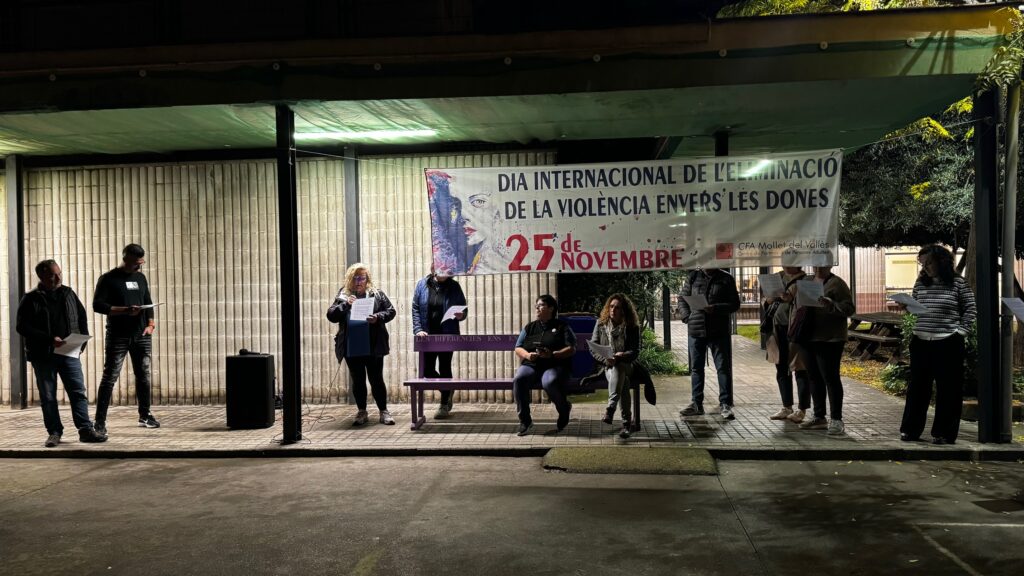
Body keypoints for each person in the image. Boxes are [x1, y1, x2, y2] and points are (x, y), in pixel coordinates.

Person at [17, 260, 107, 447]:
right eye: (52, 275)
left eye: (59, 273)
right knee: (48, 397)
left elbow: (81, 317)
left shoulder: (68, 293)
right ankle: (54, 433)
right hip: (43, 355)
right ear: (41, 276)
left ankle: (85, 430)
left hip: (69, 352)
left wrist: (81, 343)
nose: (58, 278)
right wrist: (49, 339)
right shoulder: (31, 298)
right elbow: (22, 326)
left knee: (78, 392)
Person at [899, 244, 976, 445]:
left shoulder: (958, 283)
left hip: (948, 341)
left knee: (948, 390)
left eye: (929, 263)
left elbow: (970, 309)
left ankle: (944, 433)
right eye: (922, 264)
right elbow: (917, 308)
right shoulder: (920, 283)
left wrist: (960, 332)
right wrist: (907, 307)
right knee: (917, 389)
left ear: (942, 261)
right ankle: (910, 430)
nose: (925, 268)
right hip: (921, 340)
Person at [93, 243, 158, 435]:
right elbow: (98, 305)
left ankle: (145, 415)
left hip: (141, 334)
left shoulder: (140, 278)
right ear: (126, 258)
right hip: (118, 336)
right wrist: (124, 311)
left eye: (141, 262)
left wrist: (151, 324)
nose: (139, 266)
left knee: (143, 375)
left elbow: (148, 301)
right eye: (136, 262)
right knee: (110, 377)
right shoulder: (108, 279)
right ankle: (99, 422)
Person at [327, 263, 398, 426]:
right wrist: (346, 304)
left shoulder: (376, 294)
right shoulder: (343, 294)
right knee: (358, 380)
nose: (359, 281)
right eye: (355, 278)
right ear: (350, 279)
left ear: (367, 279)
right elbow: (331, 315)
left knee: (376, 379)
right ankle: (361, 411)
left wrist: (378, 317)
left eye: (362, 278)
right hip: (352, 345)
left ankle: (383, 411)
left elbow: (391, 311)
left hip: (373, 344)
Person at [795, 252, 855, 436]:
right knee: (814, 377)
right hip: (807, 336)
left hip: (829, 338)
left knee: (830, 378)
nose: (818, 268)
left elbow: (849, 308)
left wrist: (832, 305)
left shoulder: (837, 284)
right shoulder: (807, 281)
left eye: (822, 265)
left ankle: (836, 419)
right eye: (815, 265)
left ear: (830, 265)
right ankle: (819, 416)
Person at [678, 268, 741, 420]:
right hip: (696, 330)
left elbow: (735, 304)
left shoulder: (726, 278)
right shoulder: (693, 276)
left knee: (723, 368)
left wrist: (716, 308)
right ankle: (696, 404)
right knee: (696, 369)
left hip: (718, 331)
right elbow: (682, 299)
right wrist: (687, 317)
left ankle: (725, 404)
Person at [512, 294, 577, 436]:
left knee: (549, 382)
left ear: (551, 308)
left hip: (555, 365)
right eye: (536, 306)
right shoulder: (529, 327)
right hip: (532, 364)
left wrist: (552, 354)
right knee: (519, 379)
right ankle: (525, 421)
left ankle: (564, 409)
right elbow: (518, 347)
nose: (537, 308)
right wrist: (528, 355)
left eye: (541, 305)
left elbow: (571, 348)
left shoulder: (562, 327)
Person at [412, 264, 468, 419]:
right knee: (427, 370)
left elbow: (463, 309)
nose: (444, 271)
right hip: (427, 336)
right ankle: (447, 390)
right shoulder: (422, 284)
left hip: (447, 334)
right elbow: (415, 308)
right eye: (440, 267)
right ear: (433, 269)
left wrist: (461, 315)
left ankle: (444, 405)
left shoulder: (454, 286)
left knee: (445, 367)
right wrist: (418, 329)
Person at [762, 251, 811, 423]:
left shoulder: (806, 280)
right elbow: (767, 301)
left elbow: (807, 304)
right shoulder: (778, 278)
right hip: (777, 329)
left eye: (790, 263)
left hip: (796, 330)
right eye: (784, 262)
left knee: (800, 368)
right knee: (781, 368)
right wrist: (768, 300)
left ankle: (802, 409)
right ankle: (786, 406)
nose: (786, 266)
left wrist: (790, 298)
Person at [590, 293, 641, 439]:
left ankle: (611, 408)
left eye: (617, 307)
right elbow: (593, 348)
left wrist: (621, 355)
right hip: (607, 366)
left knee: (620, 367)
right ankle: (626, 424)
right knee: (624, 382)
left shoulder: (632, 326)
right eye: (611, 306)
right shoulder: (601, 324)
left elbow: (635, 351)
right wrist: (607, 360)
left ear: (624, 310)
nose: (613, 310)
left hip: (627, 365)